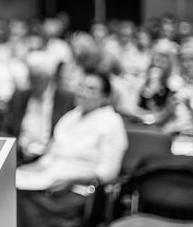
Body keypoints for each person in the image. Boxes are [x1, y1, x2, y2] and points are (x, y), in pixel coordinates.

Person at [16, 69, 127, 227]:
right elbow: (48, 158)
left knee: (19, 197)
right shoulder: (70, 117)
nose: (82, 92)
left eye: (91, 89)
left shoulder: (112, 122)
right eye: (81, 86)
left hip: (78, 188)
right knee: (8, 186)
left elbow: (108, 172)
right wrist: (26, 170)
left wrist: (70, 180)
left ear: (105, 97)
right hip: (49, 179)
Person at [0, 51, 75, 164]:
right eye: (30, 77)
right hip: (19, 156)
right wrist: (19, 148)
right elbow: (6, 128)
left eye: (36, 78)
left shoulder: (65, 98)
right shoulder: (20, 96)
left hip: (51, 158)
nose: (31, 83)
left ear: (47, 78)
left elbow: (70, 133)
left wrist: (50, 149)